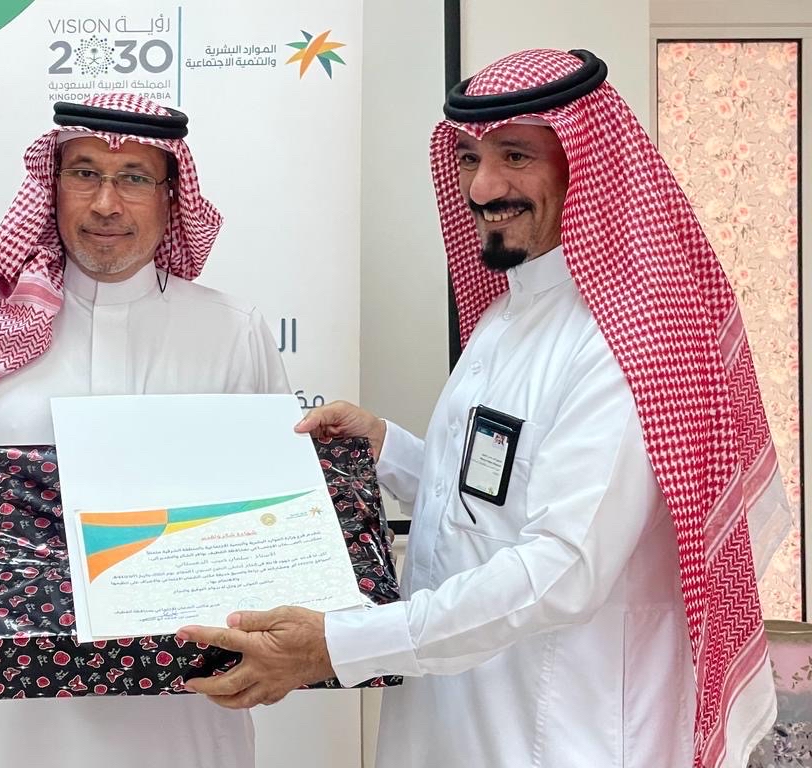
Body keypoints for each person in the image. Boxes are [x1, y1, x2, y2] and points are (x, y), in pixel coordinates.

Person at [177, 49, 792, 767]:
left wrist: (338, 643)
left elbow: (561, 570)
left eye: (515, 156)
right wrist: (386, 449)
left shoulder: (625, 336)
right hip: (458, 718)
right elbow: (490, 499)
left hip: (563, 734)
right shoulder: (512, 311)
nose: (483, 186)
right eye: (469, 158)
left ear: (585, 164)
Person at [0, 94, 289, 768]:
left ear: (173, 196)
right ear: (51, 186)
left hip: (180, 715)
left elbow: (277, 514)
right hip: (3, 724)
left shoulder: (232, 332)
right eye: (84, 173)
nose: (106, 204)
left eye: (135, 178)